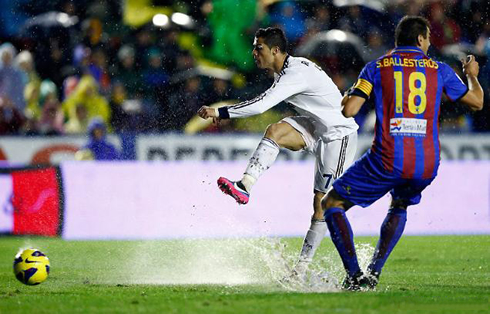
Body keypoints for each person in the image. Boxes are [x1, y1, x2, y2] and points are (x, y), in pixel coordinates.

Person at [320, 16, 484, 290]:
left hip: (387, 158)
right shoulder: (439, 69)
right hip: (427, 164)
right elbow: (477, 102)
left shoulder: (377, 67)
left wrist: (350, 92)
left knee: (331, 204)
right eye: (428, 38)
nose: (430, 43)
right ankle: (373, 273)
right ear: (420, 39)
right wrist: (472, 76)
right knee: (399, 204)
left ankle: (354, 276)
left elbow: (349, 111)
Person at [198, 27, 359, 281]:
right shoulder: (285, 71)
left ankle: (301, 271)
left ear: (275, 50)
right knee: (275, 130)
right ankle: (245, 185)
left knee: (322, 207)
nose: (253, 53)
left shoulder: (294, 73)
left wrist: (220, 112)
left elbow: (261, 104)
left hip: (338, 136)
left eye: (258, 48)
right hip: (316, 126)